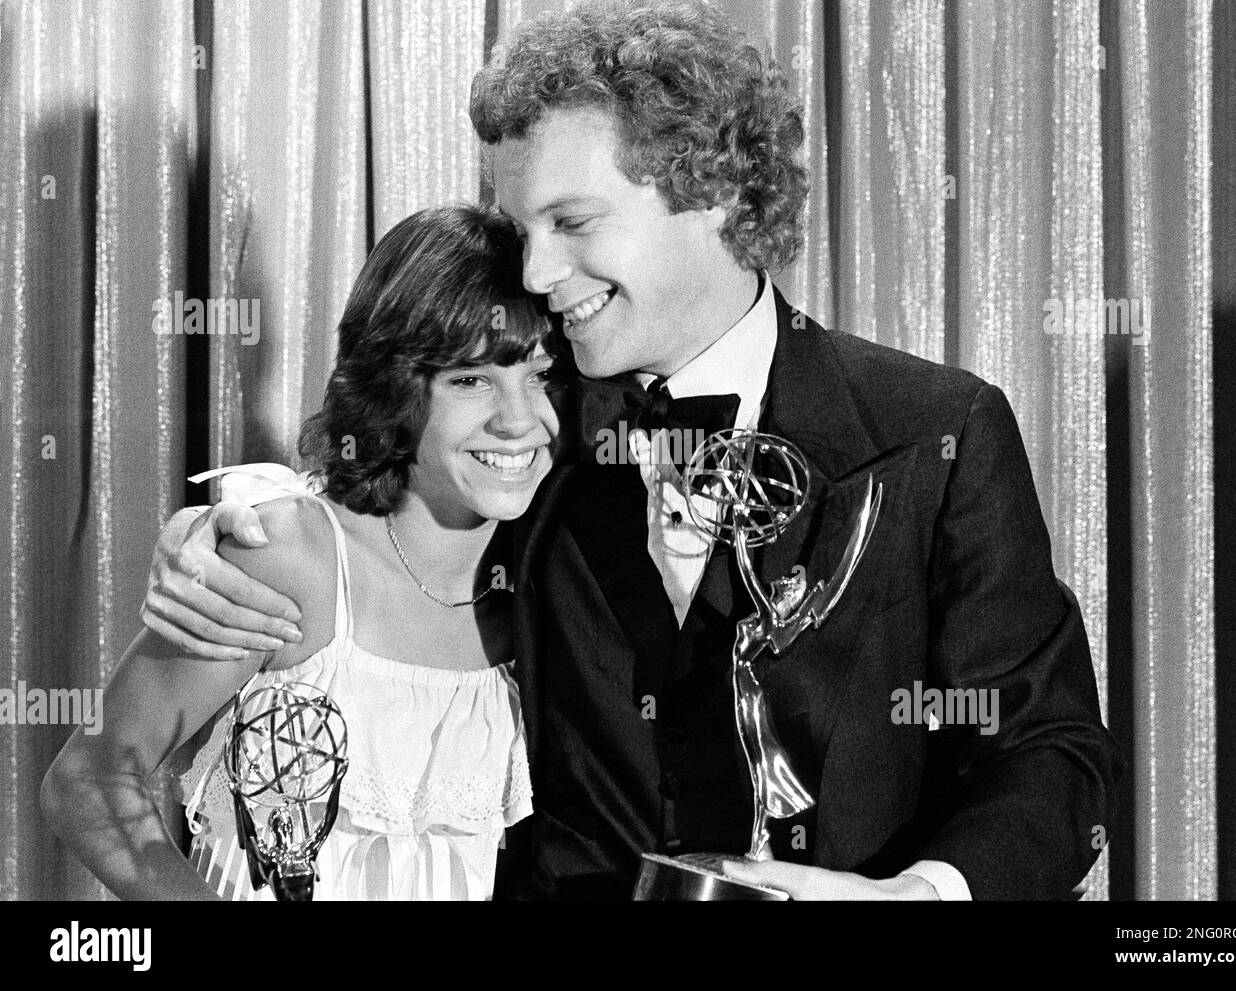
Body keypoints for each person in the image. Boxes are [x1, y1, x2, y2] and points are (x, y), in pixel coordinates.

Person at [139, 0, 1122, 900]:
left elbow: (1047, 747)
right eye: (524, 228)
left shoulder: (935, 430)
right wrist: (221, 529)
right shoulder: (528, 415)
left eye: (569, 222)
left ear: (717, 199)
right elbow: (370, 511)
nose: (533, 268)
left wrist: (926, 895)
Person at [41, 205, 560, 899]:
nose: (519, 418)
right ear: (398, 387)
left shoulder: (544, 585)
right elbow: (92, 777)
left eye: (539, 375)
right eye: (470, 379)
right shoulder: (293, 556)